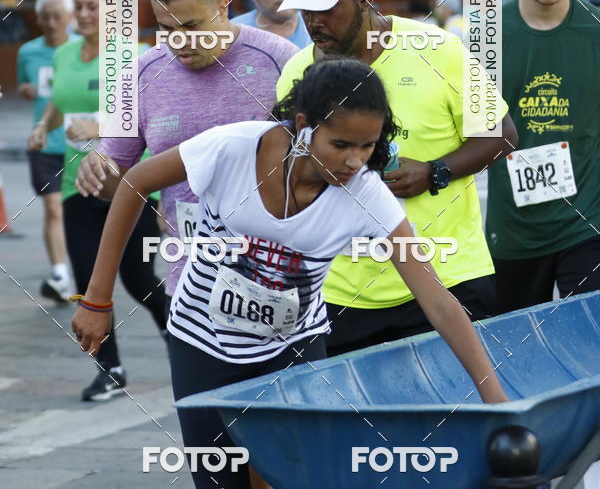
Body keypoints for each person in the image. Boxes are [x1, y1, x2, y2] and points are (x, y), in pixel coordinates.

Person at [73, 59, 508, 489]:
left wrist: (496, 402)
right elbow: (134, 183)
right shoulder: (232, 148)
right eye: (341, 145)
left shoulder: (368, 195)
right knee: (219, 480)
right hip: (202, 341)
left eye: (367, 146)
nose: (355, 161)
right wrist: (97, 300)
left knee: (292, 476)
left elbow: (437, 300)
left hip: (293, 351)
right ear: (303, 124)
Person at [276, 0, 518, 354]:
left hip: (449, 276)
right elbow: (286, 168)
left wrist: (434, 171)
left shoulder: (440, 50)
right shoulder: (298, 70)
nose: (314, 21)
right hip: (340, 292)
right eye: (306, 9)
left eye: (327, 7)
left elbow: (502, 135)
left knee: (454, 415)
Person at [75, 0, 297, 309]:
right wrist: (98, 172)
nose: (179, 42)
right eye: (166, 29)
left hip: (279, 284)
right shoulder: (137, 76)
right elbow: (118, 186)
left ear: (223, 8)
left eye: (192, 27)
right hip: (189, 290)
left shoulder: (281, 61)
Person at [28, 0, 167, 402]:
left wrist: (101, 125)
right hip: (76, 185)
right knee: (88, 283)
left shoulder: (135, 55)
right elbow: (60, 99)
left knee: (139, 278)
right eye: (80, 6)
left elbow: (153, 114)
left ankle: (181, 334)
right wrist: (42, 125)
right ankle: (111, 369)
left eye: (94, 7)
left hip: (129, 184)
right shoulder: (67, 53)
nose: (85, 15)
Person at [486, 0, 600, 313]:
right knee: (516, 352)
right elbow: (470, 132)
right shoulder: (488, 38)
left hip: (588, 224)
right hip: (513, 231)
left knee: (591, 340)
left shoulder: (596, 31)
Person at [17, 0, 75, 302]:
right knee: (53, 209)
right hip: (43, 143)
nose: (52, 23)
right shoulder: (28, 52)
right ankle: (60, 273)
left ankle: (88, 269)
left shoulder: (82, 49)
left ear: (70, 17)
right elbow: (26, 85)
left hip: (79, 143)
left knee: (78, 212)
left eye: (58, 16)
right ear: (37, 18)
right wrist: (26, 90)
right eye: (45, 17)